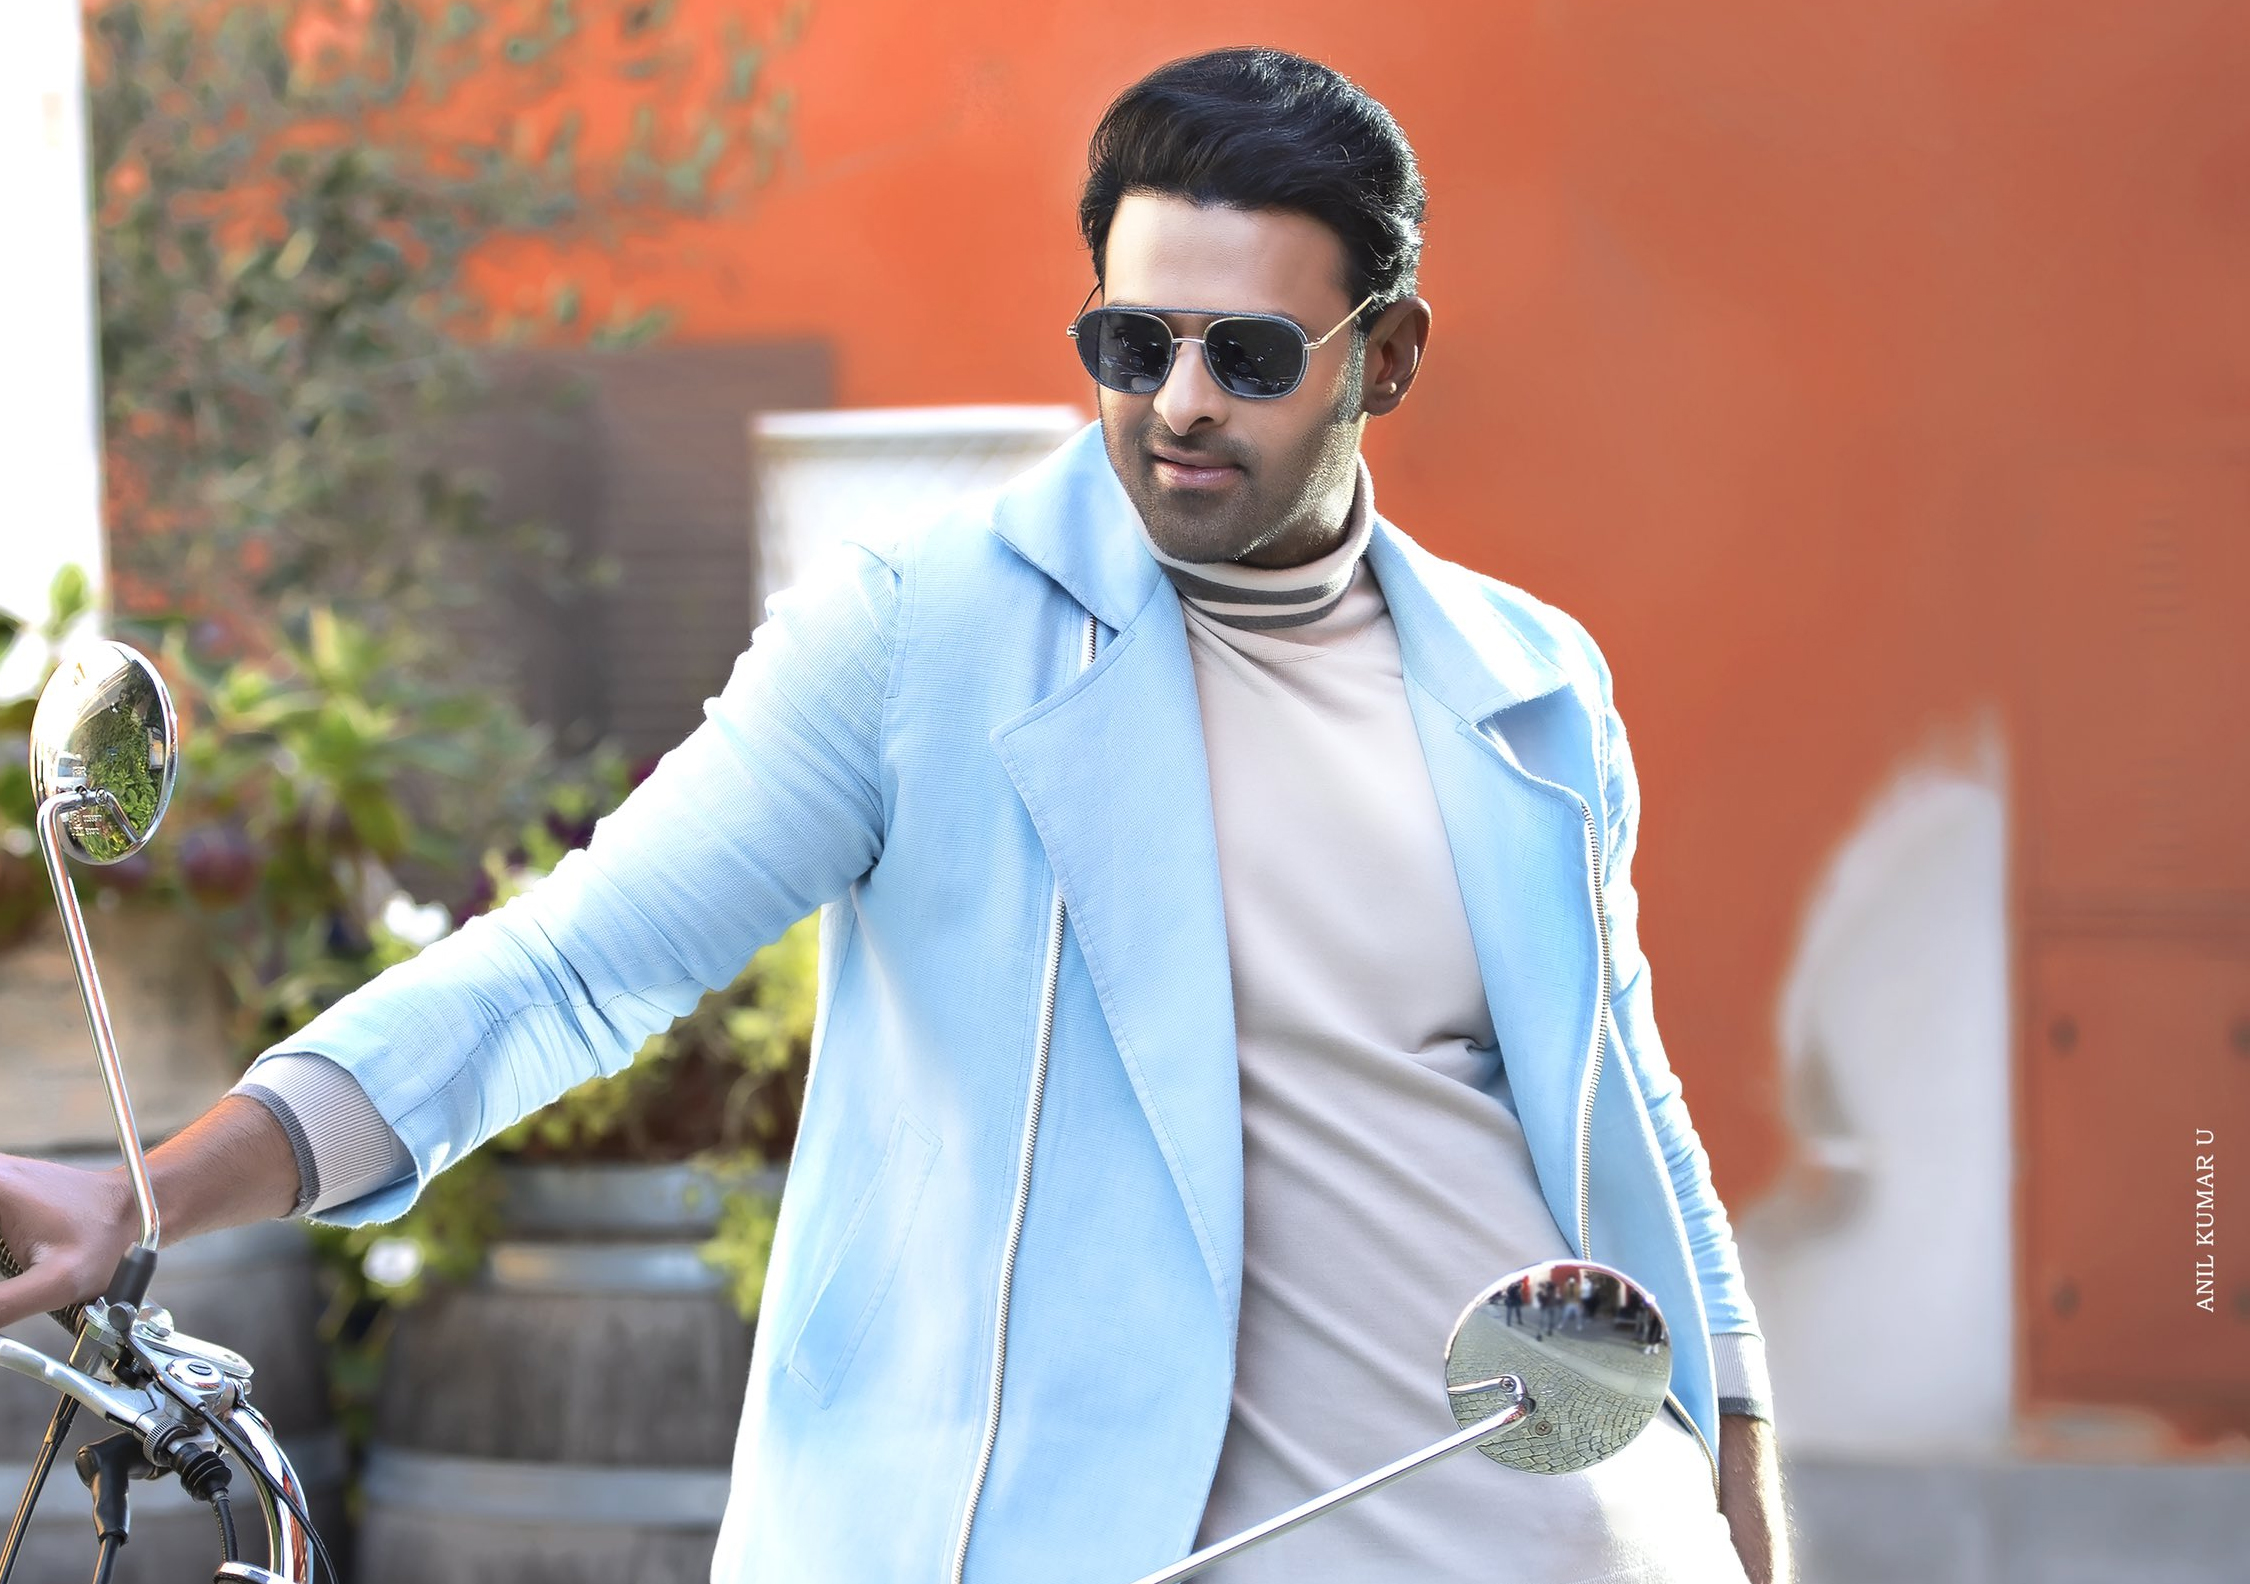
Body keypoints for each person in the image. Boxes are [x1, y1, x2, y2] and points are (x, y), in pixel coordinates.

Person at [0, 47, 1792, 1584]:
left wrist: (1737, 1483)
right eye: (1130, 340)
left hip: (1554, 1533)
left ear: (1383, 356)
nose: (1177, 404)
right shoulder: (929, 631)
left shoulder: (1529, 681)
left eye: (1250, 354)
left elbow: (1624, 1106)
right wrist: (152, 1193)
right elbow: (569, 968)